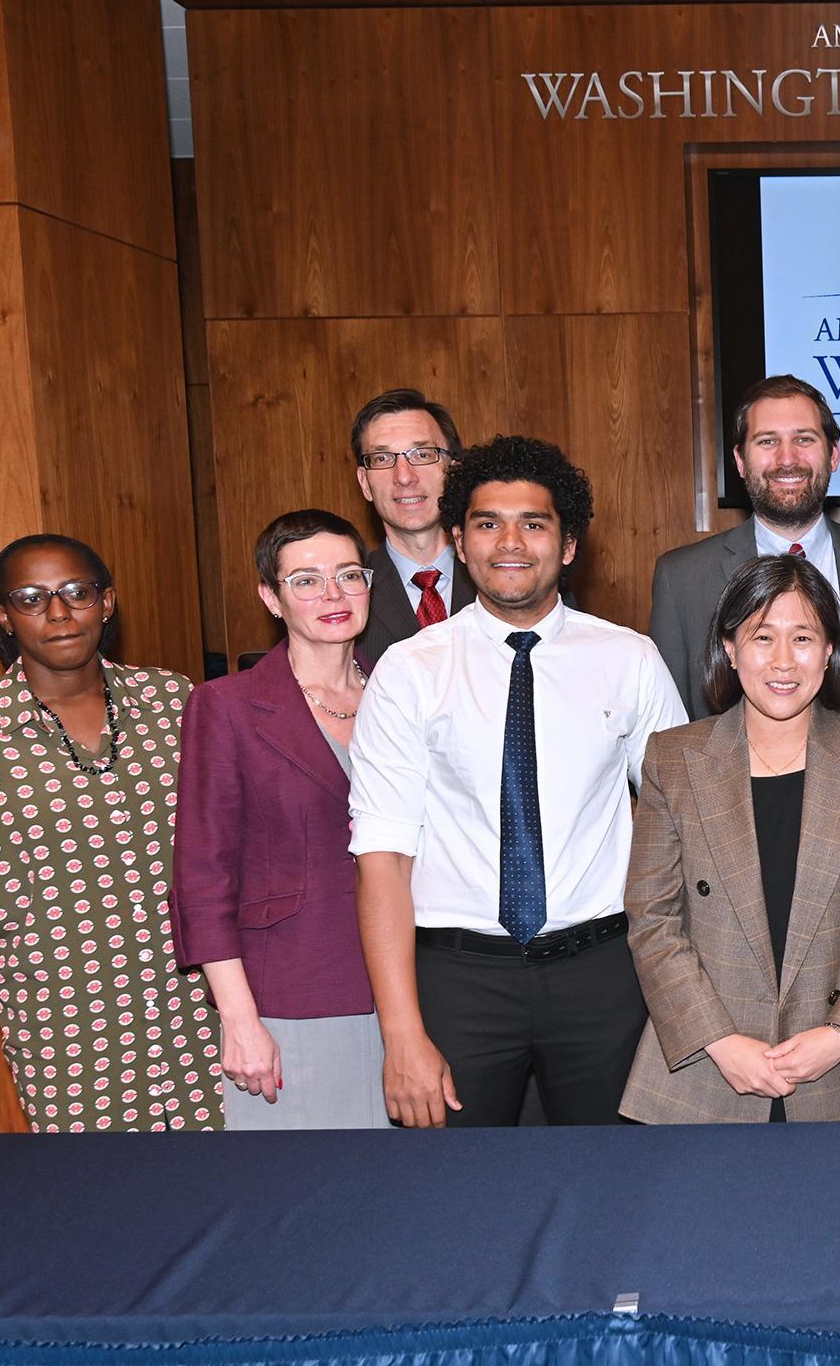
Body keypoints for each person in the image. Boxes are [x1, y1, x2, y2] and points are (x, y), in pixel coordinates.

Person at [349, 435, 687, 1127]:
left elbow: (681, 823)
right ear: (459, 544)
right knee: (457, 1197)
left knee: (614, 1186)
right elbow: (382, 859)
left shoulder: (630, 660)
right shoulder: (410, 671)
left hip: (603, 974)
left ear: (567, 548)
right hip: (457, 979)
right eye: (486, 523)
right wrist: (402, 1035)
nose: (510, 542)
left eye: (534, 524)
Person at [621, 556, 840, 1123]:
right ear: (729, 648)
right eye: (762, 637)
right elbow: (653, 919)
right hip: (706, 1068)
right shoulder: (674, 758)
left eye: (803, 638)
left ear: (830, 652)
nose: (784, 661)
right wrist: (719, 1040)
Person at [0, 536, 222, 1131]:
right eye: (31, 598)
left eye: (76, 593)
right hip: (62, 1013)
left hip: (200, 999)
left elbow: (226, 843)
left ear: (106, 602)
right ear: (2, 616)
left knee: (224, 1185)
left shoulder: (177, 701)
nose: (58, 613)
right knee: (95, 1198)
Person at [173, 510, 385, 1129]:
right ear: (271, 596)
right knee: (303, 1202)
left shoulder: (402, 691)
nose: (333, 595)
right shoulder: (227, 706)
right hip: (292, 994)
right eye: (306, 581)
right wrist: (240, 1020)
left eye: (349, 575)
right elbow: (202, 876)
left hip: (415, 986)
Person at [650, 375, 840, 741]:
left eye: (804, 439)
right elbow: (671, 734)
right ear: (739, 460)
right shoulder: (682, 579)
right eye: (768, 441)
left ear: (833, 454)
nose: (787, 459)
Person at [351, 388, 474, 666]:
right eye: (382, 458)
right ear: (364, 483)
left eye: (422, 455)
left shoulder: (512, 575)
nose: (404, 477)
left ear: (453, 471)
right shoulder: (346, 593)